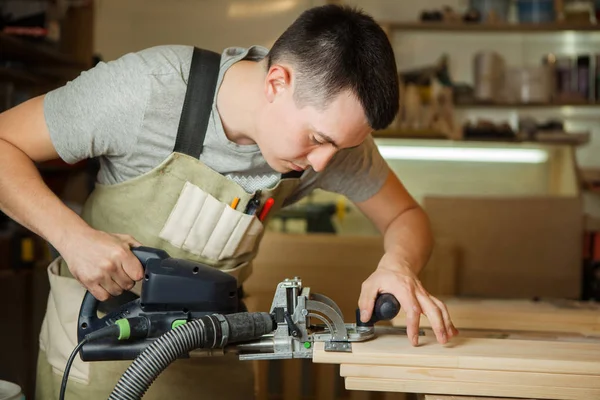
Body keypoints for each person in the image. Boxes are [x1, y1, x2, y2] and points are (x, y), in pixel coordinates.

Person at [0, 4, 457, 399]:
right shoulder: (149, 90)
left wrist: (397, 265)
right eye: (317, 139)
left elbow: (406, 215)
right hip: (100, 360)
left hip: (210, 358)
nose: (323, 163)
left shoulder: (332, 145)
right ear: (277, 81)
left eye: (337, 147)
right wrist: (73, 237)